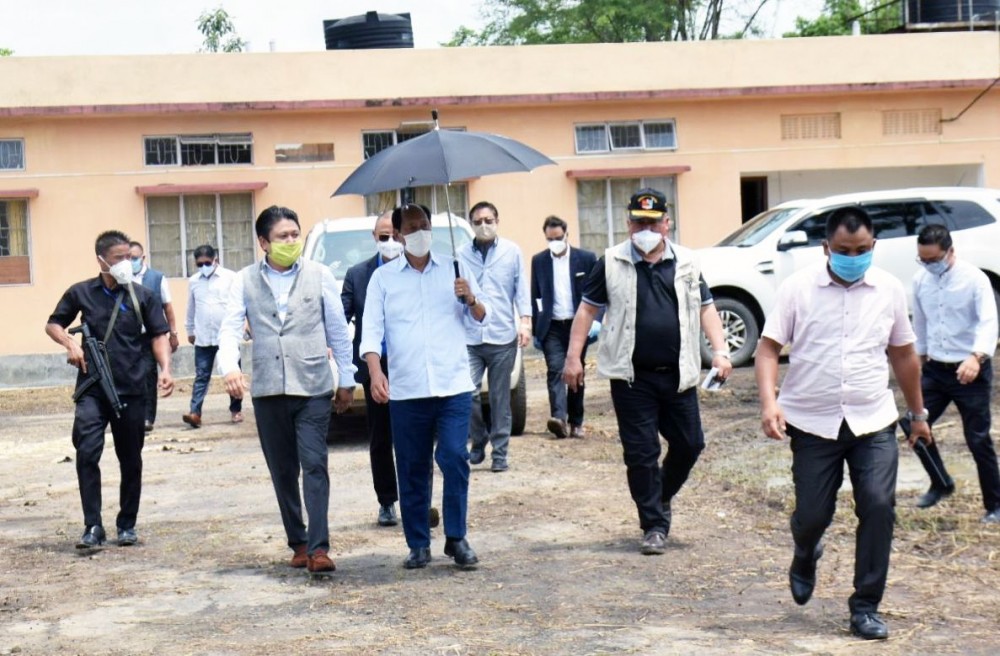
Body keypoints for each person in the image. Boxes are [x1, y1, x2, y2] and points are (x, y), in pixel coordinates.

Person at [754, 206, 930, 641]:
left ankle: (866, 606)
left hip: (873, 419)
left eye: (862, 249)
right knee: (813, 514)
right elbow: (767, 348)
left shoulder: (889, 289)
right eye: (843, 250)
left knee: (877, 505)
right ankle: (805, 549)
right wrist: (769, 403)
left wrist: (918, 414)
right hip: (812, 422)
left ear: (874, 246)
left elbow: (904, 354)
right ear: (825, 248)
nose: (854, 257)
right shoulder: (798, 289)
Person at [563, 188, 732, 556]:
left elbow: (706, 308)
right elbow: (586, 312)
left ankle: (660, 493)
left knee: (690, 443)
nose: (646, 229)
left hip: (678, 374)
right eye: (639, 222)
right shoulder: (610, 262)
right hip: (632, 377)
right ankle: (653, 525)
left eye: (653, 223)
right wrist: (573, 357)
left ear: (667, 224)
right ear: (628, 225)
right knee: (641, 453)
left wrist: (720, 352)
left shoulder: (687, 262)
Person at [218, 206, 356, 575]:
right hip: (268, 389)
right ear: (264, 242)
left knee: (314, 463)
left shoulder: (320, 274)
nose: (291, 241)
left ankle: (319, 547)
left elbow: (337, 329)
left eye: (295, 234)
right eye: (283, 236)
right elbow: (230, 328)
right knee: (282, 469)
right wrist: (230, 367)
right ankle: (297, 541)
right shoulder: (244, 280)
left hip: (312, 385)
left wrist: (347, 377)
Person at [361, 203, 488, 570]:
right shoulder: (384, 279)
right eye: (412, 227)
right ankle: (418, 543)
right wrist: (375, 371)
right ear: (399, 235)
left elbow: (481, 321)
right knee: (412, 466)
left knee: (453, 457)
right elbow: (371, 330)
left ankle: (457, 537)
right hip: (407, 389)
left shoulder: (455, 268)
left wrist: (471, 298)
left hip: (452, 386)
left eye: (425, 225)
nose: (421, 232)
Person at [45, 230, 175, 549]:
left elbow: (159, 334)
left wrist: (166, 369)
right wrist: (70, 344)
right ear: (101, 260)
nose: (126, 263)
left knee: (130, 458)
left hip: (132, 387)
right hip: (92, 388)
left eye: (130, 257)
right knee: (87, 451)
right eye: (119, 258)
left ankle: (127, 525)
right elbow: (53, 323)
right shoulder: (81, 292)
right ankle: (93, 526)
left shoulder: (143, 295)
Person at [910, 224, 1000, 522]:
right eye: (923, 260)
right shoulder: (921, 280)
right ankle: (940, 482)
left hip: (970, 371)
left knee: (977, 438)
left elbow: (989, 322)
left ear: (950, 252)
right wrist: (921, 357)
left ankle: (995, 504)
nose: (929, 266)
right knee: (915, 427)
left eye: (934, 260)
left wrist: (977, 357)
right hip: (936, 369)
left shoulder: (974, 279)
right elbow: (920, 322)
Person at [458, 201, 531, 472]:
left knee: (501, 399)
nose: (484, 226)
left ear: (497, 221)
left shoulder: (511, 252)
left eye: (488, 220)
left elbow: (520, 289)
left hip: (502, 335)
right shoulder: (461, 254)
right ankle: (478, 440)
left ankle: (500, 453)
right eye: (478, 222)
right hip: (470, 336)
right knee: (467, 392)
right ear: (471, 224)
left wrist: (525, 322)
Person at [342, 211, 403, 527]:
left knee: (412, 435)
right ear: (374, 238)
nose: (390, 241)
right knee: (381, 437)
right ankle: (387, 501)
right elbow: (342, 316)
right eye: (383, 236)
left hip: (411, 367)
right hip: (374, 366)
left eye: (395, 234)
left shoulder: (415, 269)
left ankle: (415, 497)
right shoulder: (358, 274)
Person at [530, 215, 598, 439]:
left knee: (575, 372)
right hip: (552, 325)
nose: (555, 242)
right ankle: (559, 417)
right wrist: (535, 328)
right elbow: (535, 295)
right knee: (555, 370)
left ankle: (576, 421)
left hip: (578, 324)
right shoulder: (539, 261)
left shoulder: (586, 259)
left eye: (558, 238)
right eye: (550, 239)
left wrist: (596, 321)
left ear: (567, 235)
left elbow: (598, 293)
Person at [182, 245, 242, 428]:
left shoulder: (231, 278)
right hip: (203, 337)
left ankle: (236, 410)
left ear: (216, 260)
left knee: (232, 374)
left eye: (207, 263)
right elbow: (191, 308)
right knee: (201, 376)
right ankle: (195, 413)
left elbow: (238, 305)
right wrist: (190, 330)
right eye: (200, 264)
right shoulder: (194, 281)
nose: (204, 266)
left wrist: (244, 328)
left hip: (226, 337)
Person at [129, 240, 179, 432]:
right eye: (128, 258)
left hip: (151, 336)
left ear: (143, 258)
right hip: (129, 337)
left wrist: (173, 333)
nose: (131, 262)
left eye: (134, 258)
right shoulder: (122, 278)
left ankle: (148, 417)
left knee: (149, 375)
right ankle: (131, 415)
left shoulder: (157, 278)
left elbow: (168, 307)